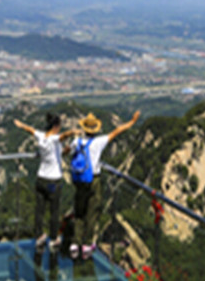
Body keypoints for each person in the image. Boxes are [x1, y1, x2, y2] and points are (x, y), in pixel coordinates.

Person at [69, 110, 141, 259]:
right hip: (93, 179)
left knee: (79, 210)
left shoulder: (77, 142)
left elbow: (67, 151)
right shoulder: (99, 142)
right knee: (92, 211)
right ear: (95, 129)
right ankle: (87, 244)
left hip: (78, 180)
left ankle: (75, 244)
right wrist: (132, 122)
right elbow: (117, 131)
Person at [14, 113, 73, 250]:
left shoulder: (42, 136)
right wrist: (72, 132)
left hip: (40, 179)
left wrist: (21, 125)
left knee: (39, 210)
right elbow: (63, 136)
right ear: (56, 126)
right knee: (54, 211)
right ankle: (53, 238)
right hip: (53, 181)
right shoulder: (54, 138)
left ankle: (39, 236)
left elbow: (30, 130)